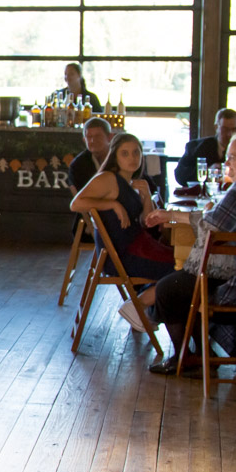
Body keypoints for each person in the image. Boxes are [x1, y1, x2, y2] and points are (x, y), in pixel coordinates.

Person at [143, 133, 236, 375]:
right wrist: (171, 215)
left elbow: (211, 227)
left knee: (170, 289)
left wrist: (179, 215)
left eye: (233, 157)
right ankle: (200, 355)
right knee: (184, 283)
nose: (227, 163)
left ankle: (188, 358)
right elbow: (215, 221)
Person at [70, 131, 174, 333]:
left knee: (184, 263)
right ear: (115, 156)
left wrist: (145, 196)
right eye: (125, 153)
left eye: (136, 153)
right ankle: (140, 304)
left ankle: (148, 308)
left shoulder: (131, 182)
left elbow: (147, 222)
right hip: (123, 255)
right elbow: (76, 203)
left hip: (137, 246)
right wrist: (113, 204)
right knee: (182, 270)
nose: (132, 158)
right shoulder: (108, 179)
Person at [174, 107, 236, 187]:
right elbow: (180, 175)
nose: (230, 134)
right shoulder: (196, 147)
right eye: (225, 129)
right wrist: (207, 170)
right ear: (216, 127)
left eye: (235, 129)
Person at [67, 116, 113, 192]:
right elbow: (78, 199)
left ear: (110, 137)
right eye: (89, 137)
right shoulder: (78, 165)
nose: (93, 140)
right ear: (84, 140)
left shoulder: (120, 158)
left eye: (98, 136)